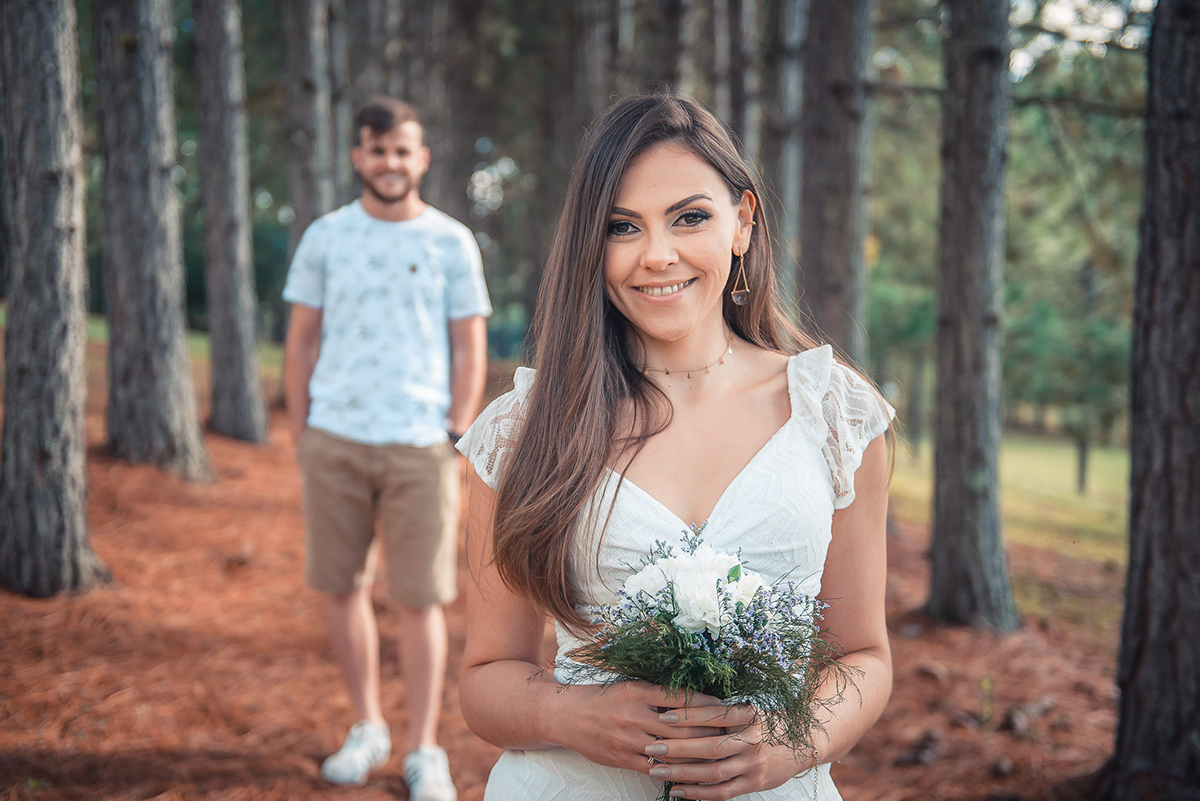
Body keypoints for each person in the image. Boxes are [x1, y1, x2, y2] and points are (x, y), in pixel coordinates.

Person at [454, 93, 893, 801]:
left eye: (690, 217)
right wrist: (567, 713)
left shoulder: (834, 412)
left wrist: (785, 749)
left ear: (743, 222)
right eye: (622, 227)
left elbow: (865, 656)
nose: (657, 255)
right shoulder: (522, 430)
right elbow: (485, 680)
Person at [283, 96, 490, 800]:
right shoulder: (326, 236)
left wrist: (456, 426)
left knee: (420, 599)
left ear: (421, 158)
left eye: (402, 150)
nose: (390, 162)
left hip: (418, 445)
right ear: (357, 157)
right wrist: (302, 429)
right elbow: (302, 337)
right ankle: (367, 725)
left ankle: (425, 747)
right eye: (377, 149)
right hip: (335, 437)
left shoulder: (450, 241)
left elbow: (469, 342)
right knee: (341, 588)